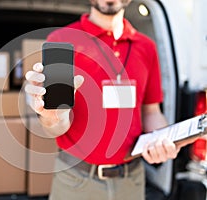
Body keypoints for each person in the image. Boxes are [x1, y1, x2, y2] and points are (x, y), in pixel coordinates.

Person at [25, 0, 194, 199]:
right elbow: (56, 126)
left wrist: (165, 139)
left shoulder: (146, 47)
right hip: (76, 180)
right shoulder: (63, 40)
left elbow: (151, 112)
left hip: (132, 181)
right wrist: (50, 117)